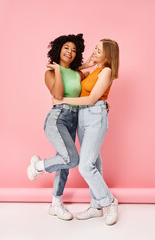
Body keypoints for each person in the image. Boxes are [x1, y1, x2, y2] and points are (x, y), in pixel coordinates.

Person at [53, 39, 119, 225]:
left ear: (108, 55)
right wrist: (88, 63)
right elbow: (73, 73)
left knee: (85, 165)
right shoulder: (94, 71)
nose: (94, 51)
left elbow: (91, 99)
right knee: (94, 162)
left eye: (99, 50)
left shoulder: (107, 71)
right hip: (83, 116)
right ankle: (96, 206)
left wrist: (62, 100)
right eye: (95, 48)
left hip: (94, 115)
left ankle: (109, 201)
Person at [27, 34, 85, 220]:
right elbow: (58, 95)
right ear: (58, 49)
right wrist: (59, 70)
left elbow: (88, 92)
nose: (70, 51)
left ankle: (56, 204)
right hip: (58, 118)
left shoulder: (78, 74)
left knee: (64, 163)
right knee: (71, 158)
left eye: (74, 50)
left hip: (74, 120)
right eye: (67, 47)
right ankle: (38, 166)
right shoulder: (50, 72)